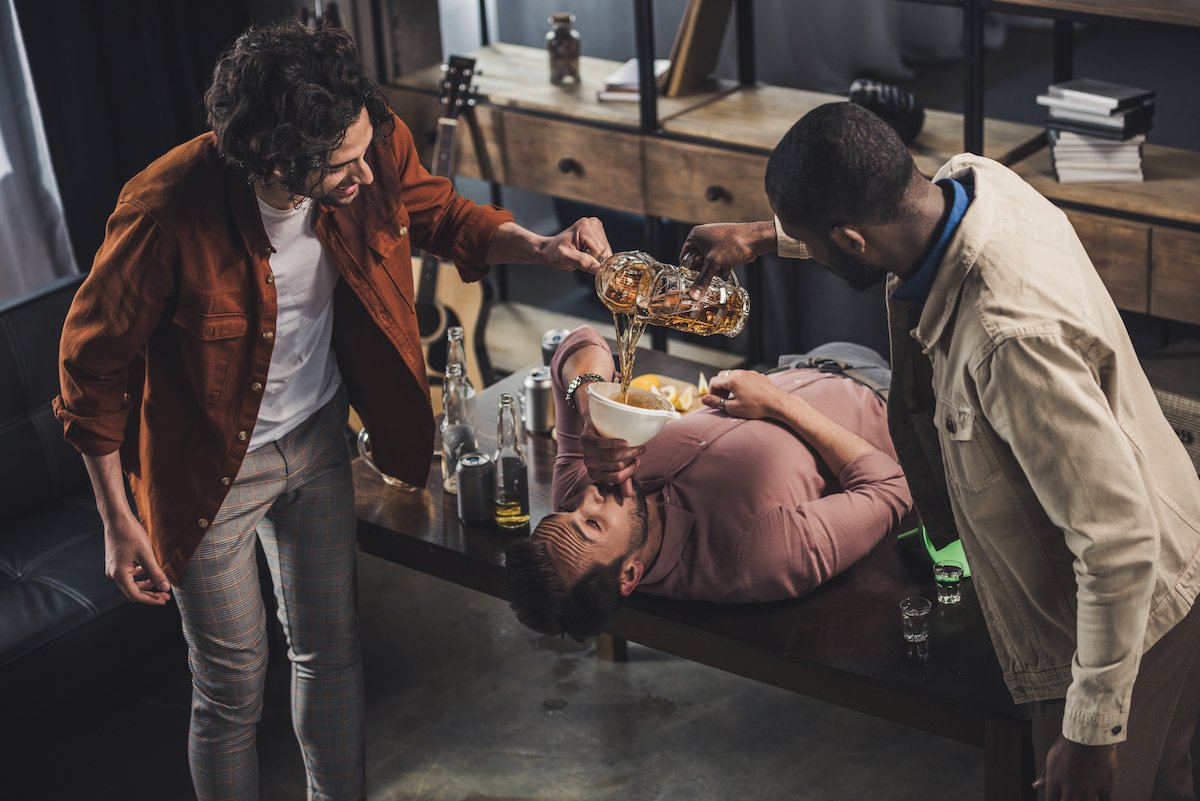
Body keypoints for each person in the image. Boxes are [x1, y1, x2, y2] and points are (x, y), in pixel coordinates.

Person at [53, 21, 610, 801]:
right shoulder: (163, 212)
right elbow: (89, 370)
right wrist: (118, 518)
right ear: (277, 162)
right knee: (232, 685)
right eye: (344, 165)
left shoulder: (370, 143)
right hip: (206, 474)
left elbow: (444, 216)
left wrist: (543, 248)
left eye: (363, 149)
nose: (366, 172)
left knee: (329, 650)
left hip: (319, 443)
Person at [679, 101, 1200, 801]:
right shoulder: (970, 183)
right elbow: (869, 228)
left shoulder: (1007, 340)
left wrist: (1090, 732)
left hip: (1125, 621)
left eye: (817, 242)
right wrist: (762, 237)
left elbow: (1119, 542)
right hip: (1180, 545)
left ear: (851, 239)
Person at [504, 325, 913, 638]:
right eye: (592, 524)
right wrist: (779, 404)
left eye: (568, 511)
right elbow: (892, 487)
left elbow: (577, 343)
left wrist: (590, 404)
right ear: (629, 575)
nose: (588, 497)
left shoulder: (578, 490)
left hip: (810, 358)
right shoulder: (758, 555)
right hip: (904, 398)